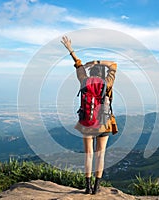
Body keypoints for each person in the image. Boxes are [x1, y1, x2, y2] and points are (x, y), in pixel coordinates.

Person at [61, 36, 117, 194]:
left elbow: (78, 65)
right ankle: (97, 187)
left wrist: (71, 50)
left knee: (89, 155)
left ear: (91, 73)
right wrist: (97, 61)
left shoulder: (84, 80)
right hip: (104, 123)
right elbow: (114, 65)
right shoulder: (108, 82)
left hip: (87, 123)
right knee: (101, 154)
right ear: (102, 73)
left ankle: (87, 187)